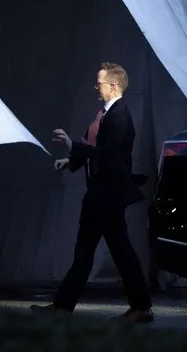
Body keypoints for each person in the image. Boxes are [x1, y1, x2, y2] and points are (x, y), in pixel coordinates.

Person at [31, 62, 153, 323]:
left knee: (121, 251)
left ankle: (141, 307)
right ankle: (63, 306)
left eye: (99, 83)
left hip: (109, 197)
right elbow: (94, 147)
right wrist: (71, 161)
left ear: (114, 85)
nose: (95, 87)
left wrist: (71, 145)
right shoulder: (105, 114)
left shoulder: (119, 116)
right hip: (98, 194)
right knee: (84, 252)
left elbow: (109, 156)